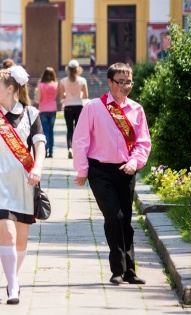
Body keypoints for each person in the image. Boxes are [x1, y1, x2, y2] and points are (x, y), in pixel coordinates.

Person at [72, 62, 151, 285]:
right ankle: (117, 269)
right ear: (109, 82)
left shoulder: (136, 110)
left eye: (129, 82)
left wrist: (135, 162)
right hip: (100, 170)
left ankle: (130, 271)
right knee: (114, 217)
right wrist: (82, 170)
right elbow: (80, 139)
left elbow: (142, 142)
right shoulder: (94, 107)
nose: (125, 86)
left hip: (126, 171)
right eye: (120, 82)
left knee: (126, 220)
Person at [0, 66, 46, 305]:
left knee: (22, 240)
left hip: (24, 179)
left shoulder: (31, 113)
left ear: (11, 89)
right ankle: (13, 286)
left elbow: (39, 145)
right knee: (7, 231)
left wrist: (37, 168)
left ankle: (12, 277)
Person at [58, 59, 88, 159]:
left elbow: (61, 96)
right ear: (78, 69)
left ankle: (70, 148)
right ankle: (78, 149)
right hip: (79, 106)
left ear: (68, 69)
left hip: (68, 106)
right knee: (79, 130)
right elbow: (85, 96)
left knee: (69, 130)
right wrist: (80, 94)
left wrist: (67, 94)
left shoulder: (63, 81)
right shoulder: (82, 80)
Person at [34, 67, 58, 158]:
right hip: (53, 109)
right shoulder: (56, 84)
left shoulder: (40, 85)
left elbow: (38, 98)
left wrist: (36, 98)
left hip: (43, 109)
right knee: (51, 131)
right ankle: (51, 151)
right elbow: (55, 96)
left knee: (45, 130)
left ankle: (45, 149)